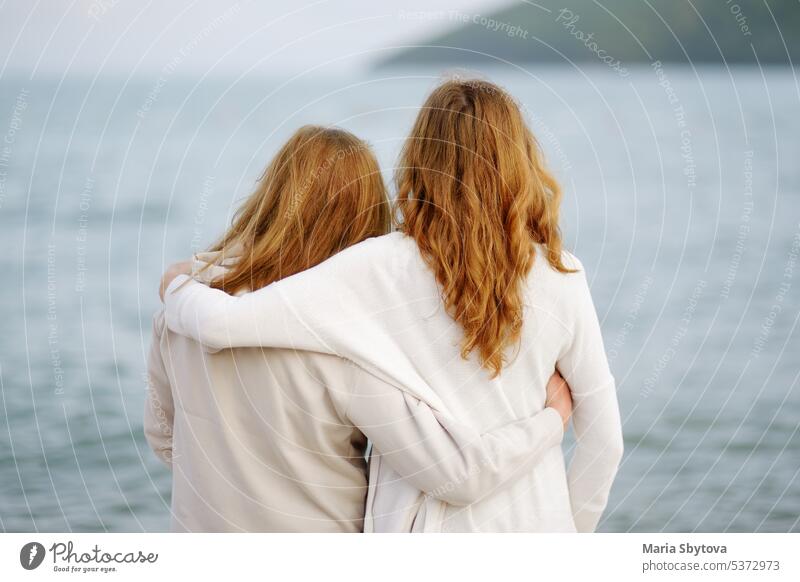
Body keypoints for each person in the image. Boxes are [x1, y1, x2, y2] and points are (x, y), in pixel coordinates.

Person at [160, 79, 623, 532]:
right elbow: (605, 444)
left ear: (421, 161)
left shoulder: (376, 266)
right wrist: (572, 532)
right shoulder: (565, 275)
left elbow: (226, 324)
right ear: (522, 164)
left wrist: (178, 285)